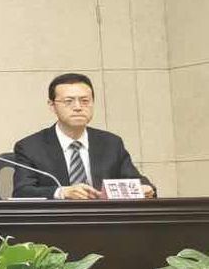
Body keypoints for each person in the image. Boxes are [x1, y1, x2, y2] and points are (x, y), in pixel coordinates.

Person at [10, 73, 154, 199]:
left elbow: (138, 182)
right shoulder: (30, 147)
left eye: (85, 101)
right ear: (52, 105)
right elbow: (22, 191)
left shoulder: (111, 143)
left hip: (103, 218)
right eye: (68, 101)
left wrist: (145, 189)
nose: (78, 107)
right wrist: (62, 192)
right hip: (56, 219)